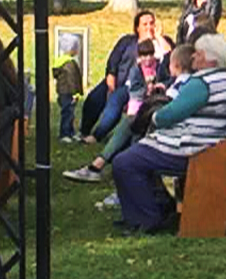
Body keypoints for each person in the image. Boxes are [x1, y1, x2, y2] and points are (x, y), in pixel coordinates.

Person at [109, 33, 226, 234]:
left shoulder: (201, 83)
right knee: (138, 156)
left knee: (124, 162)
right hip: (211, 145)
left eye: (198, 54)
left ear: (210, 60)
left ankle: (146, 218)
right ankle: (160, 207)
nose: (193, 57)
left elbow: (170, 114)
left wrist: (153, 116)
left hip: (191, 148)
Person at [63, 42, 195, 186]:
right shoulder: (186, 82)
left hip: (170, 128)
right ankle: (110, 169)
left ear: (176, 66)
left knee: (131, 123)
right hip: (170, 124)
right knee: (133, 123)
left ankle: (101, 167)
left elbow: (169, 106)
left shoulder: (181, 83)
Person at [84, 10, 171, 143]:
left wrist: (159, 36)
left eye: (152, 23)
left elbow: (170, 56)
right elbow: (114, 59)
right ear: (137, 28)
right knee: (95, 98)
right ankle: (84, 130)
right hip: (122, 80)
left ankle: (98, 135)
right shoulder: (128, 42)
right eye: (145, 24)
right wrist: (111, 75)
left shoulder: (162, 43)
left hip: (147, 86)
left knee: (116, 99)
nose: (149, 27)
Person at [53, 33, 83, 142]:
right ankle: (64, 133)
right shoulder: (69, 64)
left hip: (63, 91)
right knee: (68, 113)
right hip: (68, 92)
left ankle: (70, 132)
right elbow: (72, 79)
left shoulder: (61, 62)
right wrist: (75, 93)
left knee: (69, 112)